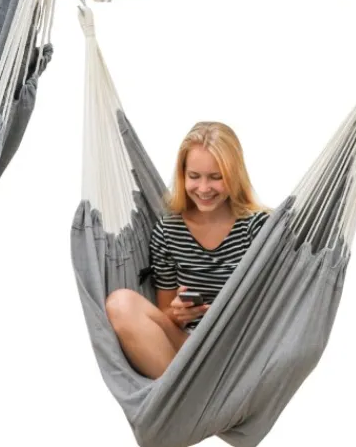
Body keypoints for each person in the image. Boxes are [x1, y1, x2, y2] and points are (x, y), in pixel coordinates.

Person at [105, 121, 269, 380]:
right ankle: (180, 394)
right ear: (183, 175)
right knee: (120, 303)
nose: (203, 189)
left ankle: (194, 393)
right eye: (194, 176)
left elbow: (275, 305)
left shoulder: (257, 228)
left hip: (240, 350)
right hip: (187, 348)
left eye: (216, 177)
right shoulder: (168, 230)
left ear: (234, 175)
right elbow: (165, 312)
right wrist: (178, 314)